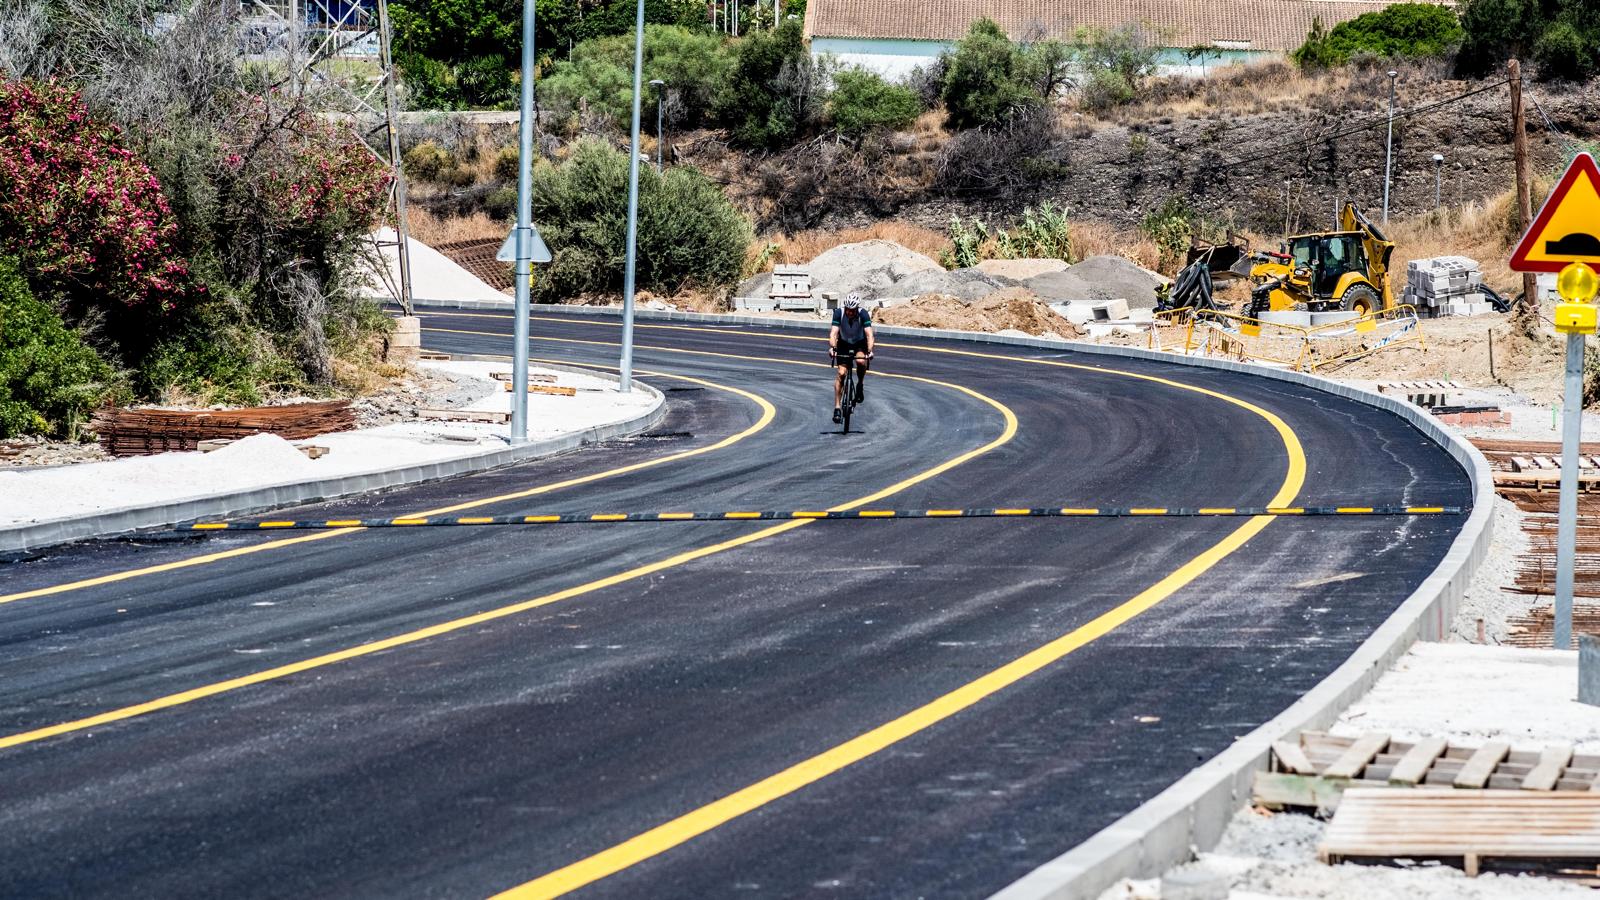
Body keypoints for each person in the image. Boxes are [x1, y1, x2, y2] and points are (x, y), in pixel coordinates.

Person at [829, 294, 874, 423]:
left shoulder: (863, 314)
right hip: (843, 343)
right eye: (847, 309)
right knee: (841, 373)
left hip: (859, 343)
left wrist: (869, 351)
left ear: (856, 309)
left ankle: (860, 384)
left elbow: (869, 335)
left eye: (852, 310)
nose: (849, 312)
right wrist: (833, 348)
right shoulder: (838, 313)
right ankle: (837, 408)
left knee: (860, 361)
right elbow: (833, 333)